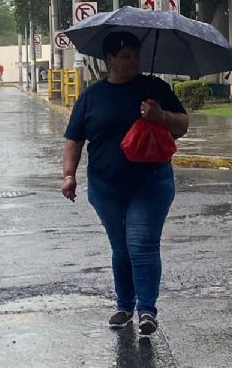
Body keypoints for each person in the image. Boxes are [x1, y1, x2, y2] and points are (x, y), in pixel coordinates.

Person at [61, 32, 189, 337]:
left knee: (142, 244)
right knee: (120, 247)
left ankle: (147, 309)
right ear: (108, 61)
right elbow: (74, 139)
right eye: (124, 55)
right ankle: (124, 305)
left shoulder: (154, 88)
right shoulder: (91, 96)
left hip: (150, 181)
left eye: (135, 55)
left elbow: (182, 125)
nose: (132, 61)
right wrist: (69, 175)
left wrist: (160, 115)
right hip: (106, 187)